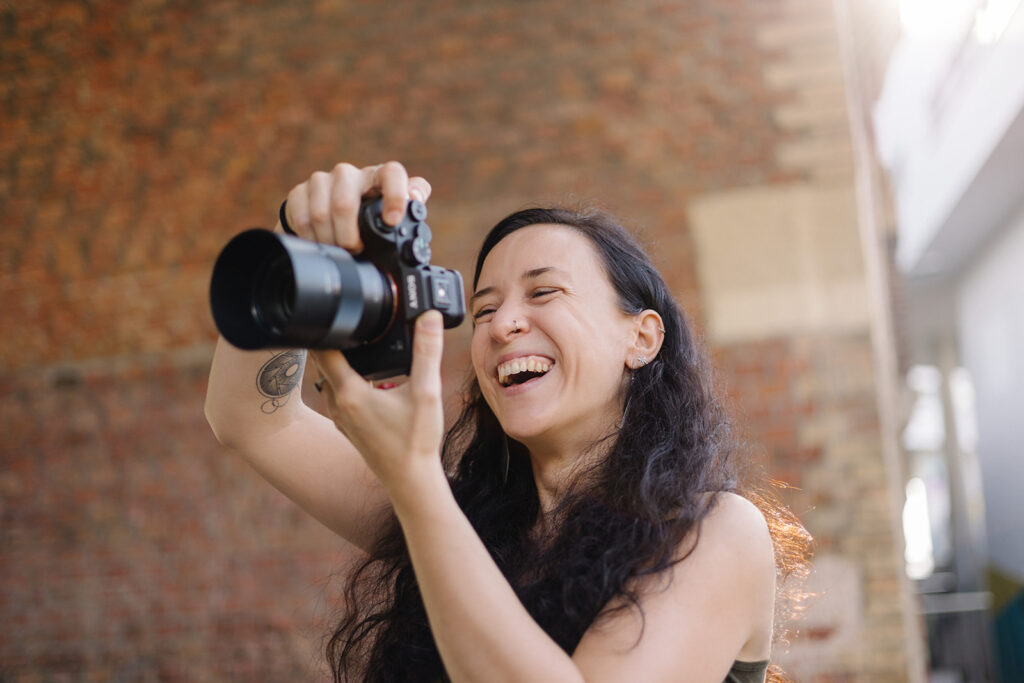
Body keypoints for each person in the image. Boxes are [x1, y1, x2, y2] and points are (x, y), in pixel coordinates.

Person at [205, 161, 810, 682]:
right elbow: (254, 421)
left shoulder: (717, 533)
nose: (501, 325)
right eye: (485, 307)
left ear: (642, 338)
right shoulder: (459, 519)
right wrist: (299, 243)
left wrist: (414, 479)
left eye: (543, 294)